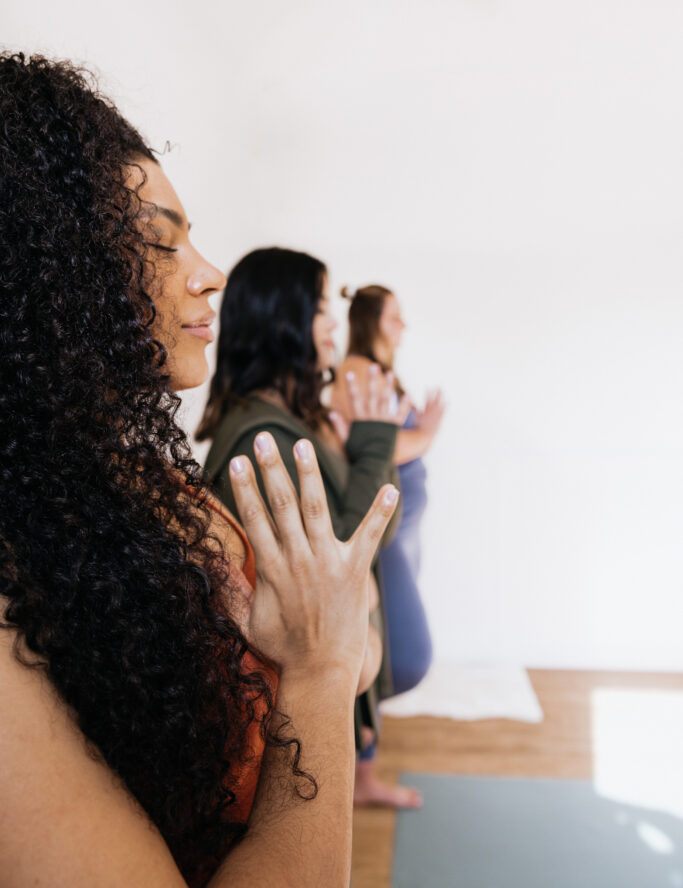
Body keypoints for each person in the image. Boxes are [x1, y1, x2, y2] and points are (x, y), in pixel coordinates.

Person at [0, 53, 399, 888]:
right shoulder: (257, 437)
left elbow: (326, 643)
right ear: (48, 278)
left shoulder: (136, 480)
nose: (210, 271)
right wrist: (322, 673)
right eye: (160, 239)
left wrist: (328, 644)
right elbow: (322, 657)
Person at [196, 247, 412, 808]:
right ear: (282, 320)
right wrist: (373, 442)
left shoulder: (286, 420)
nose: (332, 326)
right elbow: (347, 552)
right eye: (319, 309)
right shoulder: (262, 438)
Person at [331, 284, 446, 806]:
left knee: (390, 645)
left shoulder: (378, 374)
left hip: (405, 535)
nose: (403, 326)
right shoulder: (355, 370)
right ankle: (353, 773)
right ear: (372, 321)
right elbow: (376, 445)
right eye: (395, 317)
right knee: (403, 654)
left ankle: (363, 777)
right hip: (383, 539)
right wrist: (429, 434)